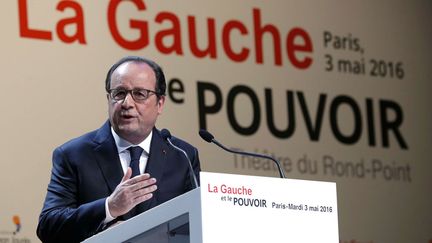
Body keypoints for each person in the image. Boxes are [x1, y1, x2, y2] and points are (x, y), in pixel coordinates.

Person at [37, 56, 201, 243]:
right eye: (119, 93)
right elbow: (48, 226)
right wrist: (109, 207)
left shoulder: (182, 156)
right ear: (109, 99)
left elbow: (198, 221)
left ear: (160, 103)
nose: (127, 103)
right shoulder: (74, 155)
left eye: (139, 94)